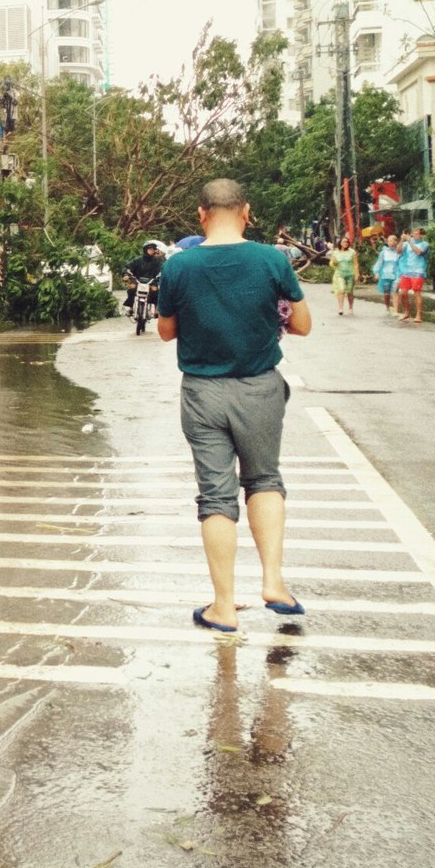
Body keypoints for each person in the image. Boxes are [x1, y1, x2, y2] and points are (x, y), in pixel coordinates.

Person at [156, 179, 312, 633]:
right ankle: (274, 583)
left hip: (203, 392)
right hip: (260, 387)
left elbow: (166, 332)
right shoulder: (271, 259)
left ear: (201, 214)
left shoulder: (179, 267)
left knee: (215, 496)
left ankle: (223, 607)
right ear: (246, 211)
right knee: (264, 480)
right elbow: (302, 324)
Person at [123, 240, 166, 316]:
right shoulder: (137, 260)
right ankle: (131, 308)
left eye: (153, 249)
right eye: (149, 249)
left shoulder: (158, 261)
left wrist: (161, 276)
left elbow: (163, 269)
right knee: (131, 288)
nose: (151, 251)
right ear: (145, 250)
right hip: (138, 281)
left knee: (156, 291)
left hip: (152, 281)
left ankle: (156, 309)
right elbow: (127, 267)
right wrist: (126, 274)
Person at [397, 227, 429, 323]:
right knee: (403, 292)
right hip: (406, 271)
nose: (414, 235)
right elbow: (398, 251)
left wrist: (410, 242)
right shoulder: (406, 243)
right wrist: (402, 240)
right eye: (413, 233)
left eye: (416, 234)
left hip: (418, 271)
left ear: (422, 235)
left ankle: (418, 315)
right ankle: (406, 312)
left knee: (417, 293)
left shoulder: (425, 244)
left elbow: (418, 252)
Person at [328, 234, 357, 315]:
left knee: (350, 291)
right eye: (344, 242)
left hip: (350, 274)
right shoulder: (335, 253)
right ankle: (340, 308)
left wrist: (357, 274)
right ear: (340, 243)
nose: (346, 243)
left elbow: (355, 264)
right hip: (339, 274)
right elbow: (331, 263)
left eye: (347, 242)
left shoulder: (352, 252)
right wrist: (334, 262)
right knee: (341, 289)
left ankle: (351, 308)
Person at [373, 234, 402, 315]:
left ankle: (396, 310)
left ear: (396, 241)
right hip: (386, 274)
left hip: (397, 274)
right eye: (389, 241)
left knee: (395, 291)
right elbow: (379, 263)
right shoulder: (384, 252)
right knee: (386, 293)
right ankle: (387, 307)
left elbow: (402, 263)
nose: (391, 242)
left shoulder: (399, 252)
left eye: (392, 240)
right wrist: (376, 272)